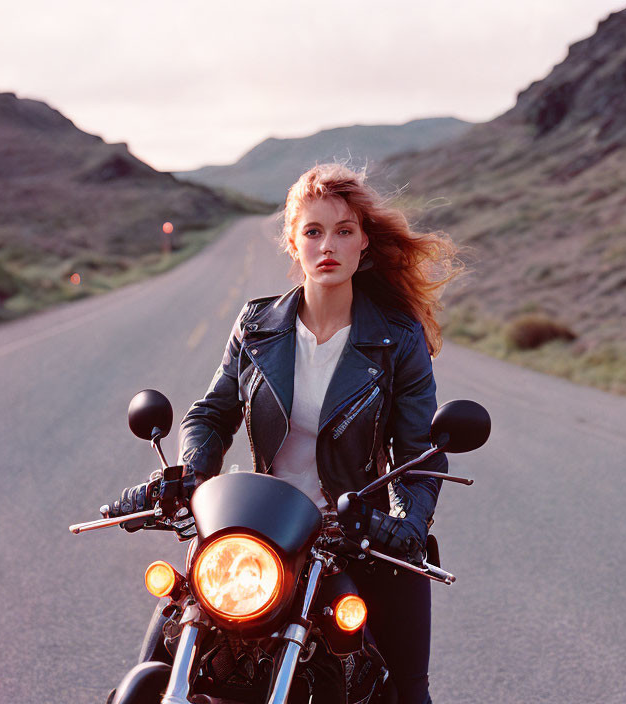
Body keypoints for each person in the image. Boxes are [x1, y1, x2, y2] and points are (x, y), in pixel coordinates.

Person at [177, 162, 460, 703]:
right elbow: (210, 415)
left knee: (407, 690)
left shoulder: (397, 338)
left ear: (363, 244)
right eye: (313, 231)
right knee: (172, 636)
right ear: (293, 243)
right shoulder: (256, 326)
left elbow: (418, 454)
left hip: (355, 537)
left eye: (343, 230)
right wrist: (190, 475)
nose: (327, 245)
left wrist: (409, 524)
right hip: (262, 530)